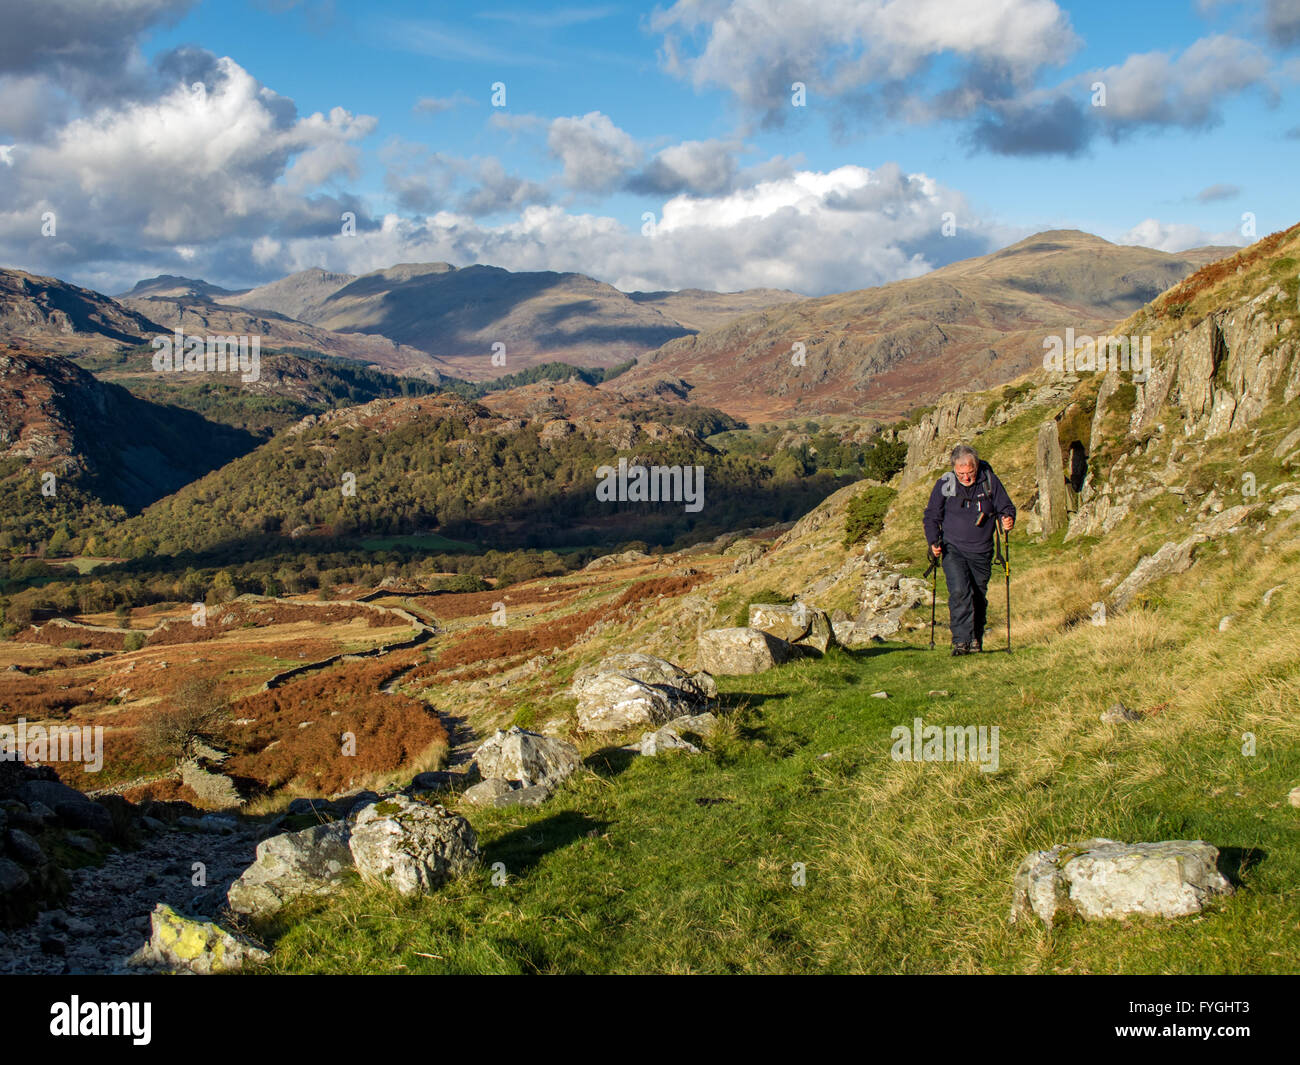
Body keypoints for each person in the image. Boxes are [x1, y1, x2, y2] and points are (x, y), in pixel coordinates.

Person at [922, 444, 1016, 655]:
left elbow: (1006, 507)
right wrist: (933, 541)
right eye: (961, 473)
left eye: (970, 472)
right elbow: (931, 515)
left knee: (978, 595)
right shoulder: (946, 483)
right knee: (959, 591)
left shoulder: (989, 480)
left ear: (977, 466)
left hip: (982, 550)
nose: (965, 477)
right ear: (954, 469)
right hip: (952, 547)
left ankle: (975, 640)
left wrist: (1007, 519)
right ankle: (961, 641)